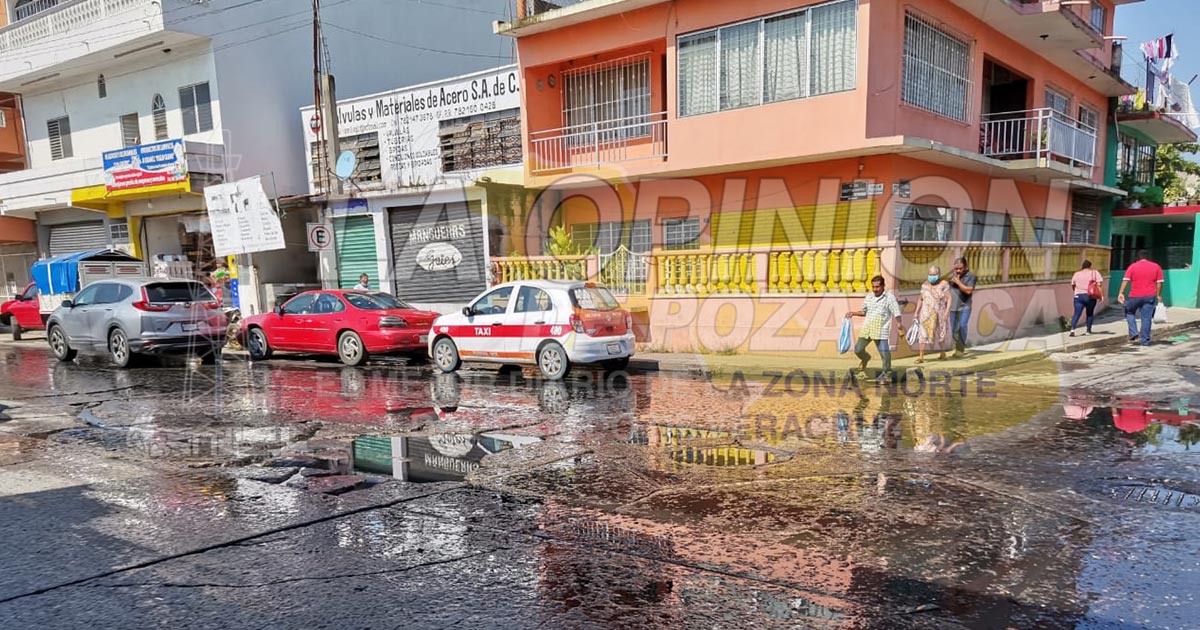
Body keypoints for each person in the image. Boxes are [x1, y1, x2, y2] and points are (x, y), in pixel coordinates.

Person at [845, 275, 904, 383]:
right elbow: (864, 311)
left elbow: (896, 312)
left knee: (884, 352)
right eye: (873, 287)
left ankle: (887, 374)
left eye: (877, 287)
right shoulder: (869, 297)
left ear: (883, 286)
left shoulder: (889, 298)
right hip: (868, 327)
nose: (875, 289)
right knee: (858, 349)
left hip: (881, 329)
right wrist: (853, 313)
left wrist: (900, 325)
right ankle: (865, 358)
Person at [1116, 250, 1164, 347]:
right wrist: (1158, 294)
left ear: (1137, 257)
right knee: (1146, 318)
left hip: (1135, 296)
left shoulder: (1133, 266)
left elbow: (1125, 280)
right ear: (1148, 257)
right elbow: (1159, 283)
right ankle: (1145, 341)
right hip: (1149, 296)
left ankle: (1133, 332)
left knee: (1129, 312)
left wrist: (1121, 293)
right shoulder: (1156, 266)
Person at [913, 265, 951, 363]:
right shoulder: (925, 285)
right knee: (922, 334)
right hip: (926, 314)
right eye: (930, 274)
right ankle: (921, 356)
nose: (932, 276)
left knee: (941, 333)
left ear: (939, 275)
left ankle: (942, 352)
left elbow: (949, 298)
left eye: (934, 274)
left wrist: (946, 312)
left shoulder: (944, 284)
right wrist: (916, 312)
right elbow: (920, 299)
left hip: (940, 313)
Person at [947, 257, 977, 357]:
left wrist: (958, 282)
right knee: (954, 329)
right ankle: (956, 348)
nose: (958, 271)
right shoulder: (951, 277)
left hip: (965, 306)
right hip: (952, 307)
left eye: (961, 268)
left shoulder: (971, 277)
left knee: (962, 326)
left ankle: (960, 348)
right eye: (956, 269)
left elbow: (969, 290)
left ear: (965, 267)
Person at [1069, 260, 1104, 336]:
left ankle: (1072, 330)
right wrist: (1101, 295)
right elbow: (1099, 285)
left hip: (1078, 296)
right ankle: (1088, 330)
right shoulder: (1094, 272)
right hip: (1090, 296)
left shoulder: (1077, 274)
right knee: (1090, 313)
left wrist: (1076, 291)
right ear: (1090, 266)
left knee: (1077, 313)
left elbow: (1073, 284)